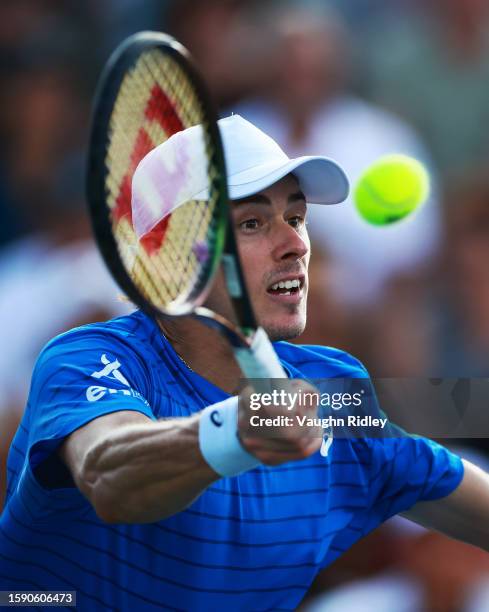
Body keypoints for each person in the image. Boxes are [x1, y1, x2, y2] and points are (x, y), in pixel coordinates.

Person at [0, 116, 488, 611]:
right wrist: (234, 432)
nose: (295, 245)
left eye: (296, 218)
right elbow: (108, 477)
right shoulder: (87, 358)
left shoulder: (335, 395)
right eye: (252, 223)